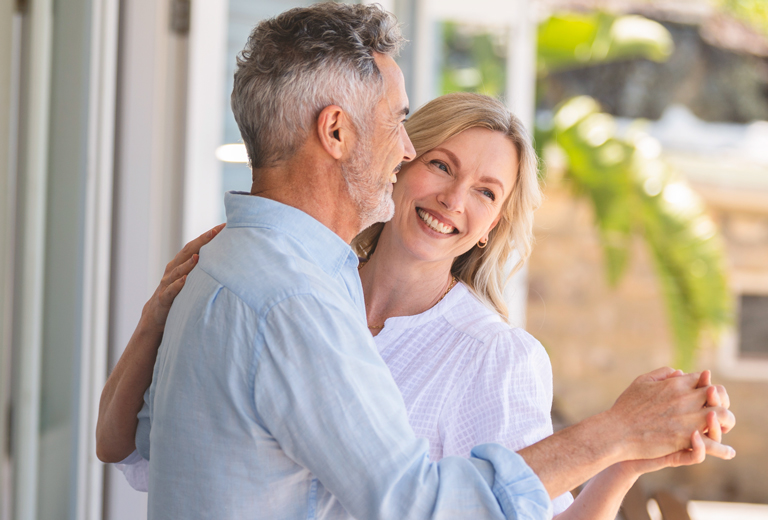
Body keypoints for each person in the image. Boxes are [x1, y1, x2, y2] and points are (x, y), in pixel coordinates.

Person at [96, 4, 735, 519]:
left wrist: (623, 454)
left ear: (495, 226)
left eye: (488, 192)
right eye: (420, 146)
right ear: (339, 133)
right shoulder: (301, 299)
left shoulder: (248, 266)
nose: (402, 148)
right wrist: (615, 432)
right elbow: (414, 501)